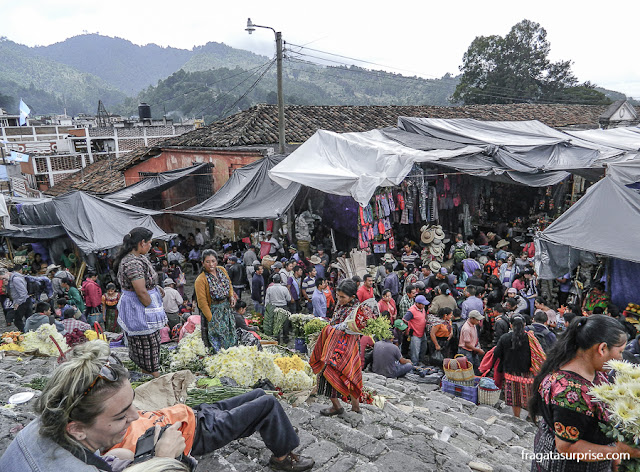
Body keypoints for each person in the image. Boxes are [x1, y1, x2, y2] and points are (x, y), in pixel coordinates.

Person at [0, 341, 314, 472]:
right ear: (78, 428)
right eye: (122, 415)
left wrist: (117, 456)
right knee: (268, 402)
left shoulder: (43, 430)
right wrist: (162, 461)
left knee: (259, 396)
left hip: (189, 416)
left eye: (131, 405)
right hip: (191, 432)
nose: (136, 415)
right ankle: (283, 457)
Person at [529, 315, 639, 471]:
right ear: (602, 349)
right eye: (620, 351)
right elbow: (566, 447)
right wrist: (618, 452)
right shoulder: (570, 393)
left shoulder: (591, 370)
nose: (621, 358)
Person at [310, 279, 371, 416]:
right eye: (338, 295)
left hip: (347, 348)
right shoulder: (341, 305)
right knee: (332, 374)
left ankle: (351, 407)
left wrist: (330, 329)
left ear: (352, 297)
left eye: (342, 297)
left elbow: (350, 329)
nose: (339, 299)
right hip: (335, 346)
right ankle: (338, 406)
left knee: (347, 375)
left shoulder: (357, 312)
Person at [114, 227, 167, 378]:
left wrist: (156, 289)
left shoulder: (139, 258)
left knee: (151, 350)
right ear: (142, 242)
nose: (151, 246)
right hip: (140, 311)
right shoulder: (132, 263)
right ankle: (158, 385)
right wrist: (150, 304)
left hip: (143, 307)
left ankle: (148, 380)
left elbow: (146, 283)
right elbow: (141, 291)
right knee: (148, 351)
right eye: (149, 243)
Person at [194, 249, 236, 353]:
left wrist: (231, 296)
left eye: (213, 261)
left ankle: (232, 356)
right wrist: (211, 319)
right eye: (207, 262)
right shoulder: (201, 279)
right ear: (202, 263)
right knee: (218, 339)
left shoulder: (222, 270)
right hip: (214, 312)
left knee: (230, 334)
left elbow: (229, 283)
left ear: (217, 261)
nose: (211, 264)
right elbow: (202, 302)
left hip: (226, 310)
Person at [494, 315, 533, 418]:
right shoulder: (530, 338)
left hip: (510, 372)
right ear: (524, 325)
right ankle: (531, 416)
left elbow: (497, 353)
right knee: (529, 394)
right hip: (527, 372)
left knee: (515, 396)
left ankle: (517, 417)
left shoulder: (505, 338)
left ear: (511, 325)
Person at [1, 265, 33, 332]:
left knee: (18, 320)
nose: (3, 280)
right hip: (22, 300)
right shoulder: (13, 278)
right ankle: (30, 333)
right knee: (29, 319)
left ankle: (26, 333)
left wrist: (17, 303)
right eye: (2, 279)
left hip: (23, 301)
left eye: (4, 278)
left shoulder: (15, 279)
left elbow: (23, 293)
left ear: (7, 273)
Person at [403, 295, 429, 365]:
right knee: (415, 352)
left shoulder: (422, 309)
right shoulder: (411, 311)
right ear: (417, 304)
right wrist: (406, 330)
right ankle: (414, 365)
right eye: (423, 304)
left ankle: (420, 362)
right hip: (415, 334)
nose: (424, 306)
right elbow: (404, 320)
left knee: (424, 348)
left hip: (422, 332)